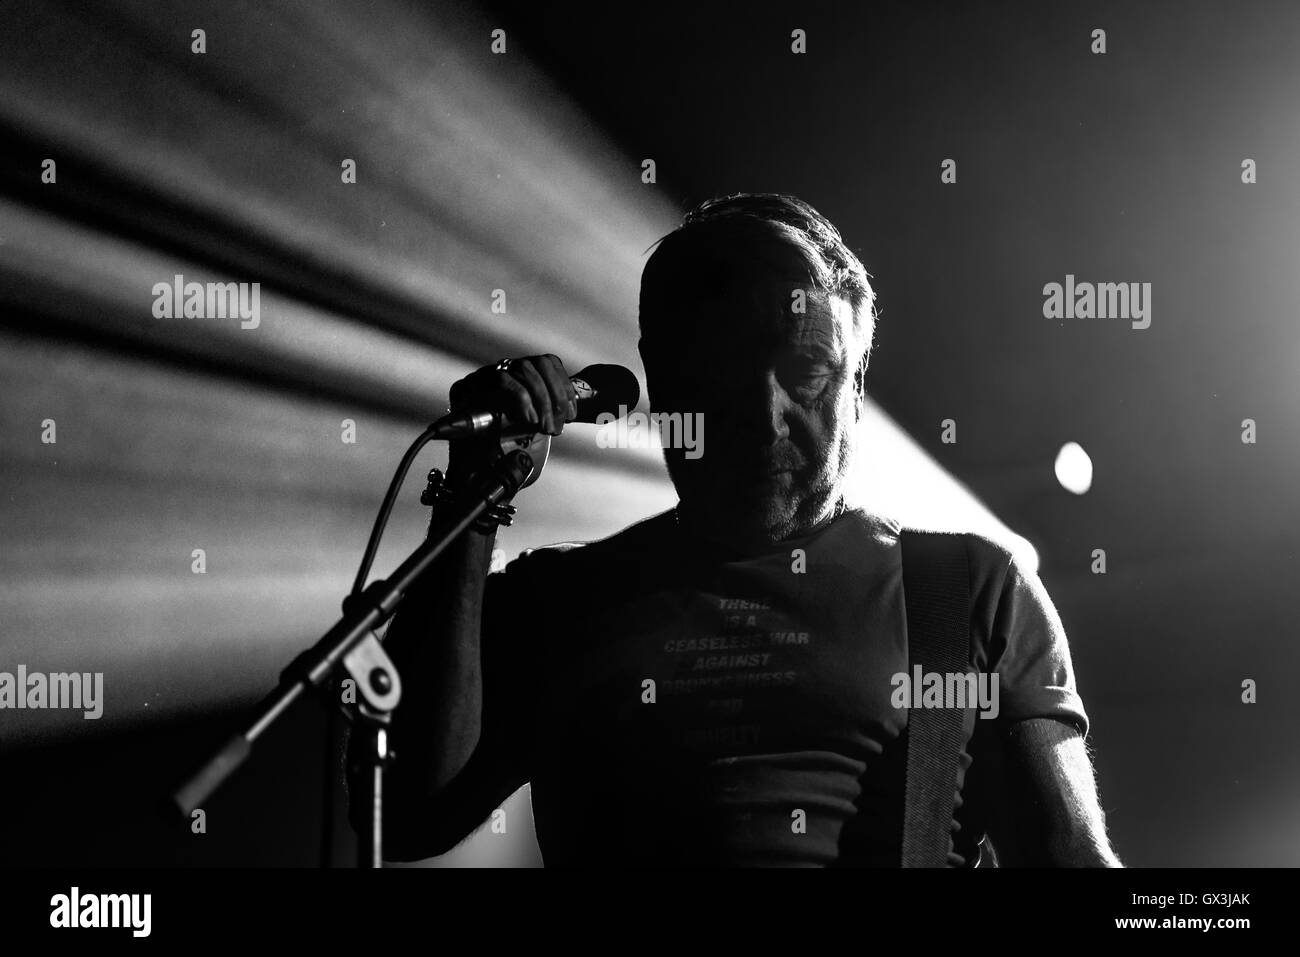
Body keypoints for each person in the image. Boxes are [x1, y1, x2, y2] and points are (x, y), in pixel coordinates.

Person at [348, 193, 1122, 867]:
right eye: (724, 370)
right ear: (663, 378)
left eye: (808, 372)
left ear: (857, 385)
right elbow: (407, 817)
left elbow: (1071, 860)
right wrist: (471, 499)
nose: (765, 415)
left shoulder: (968, 593)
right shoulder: (556, 601)